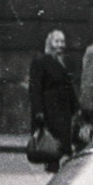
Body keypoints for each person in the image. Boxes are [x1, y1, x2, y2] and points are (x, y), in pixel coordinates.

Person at [29, 29, 78, 174]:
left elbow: (69, 87)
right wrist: (38, 111)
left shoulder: (64, 62)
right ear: (50, 43)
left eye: (62, 42)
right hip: (50, 108)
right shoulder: (40, 62)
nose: (60, 45)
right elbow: (35, 88)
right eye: (57, 41)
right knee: (53, 143)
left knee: (64, 141)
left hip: (64, 108)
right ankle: (52, 170)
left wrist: (76, 107)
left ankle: (58, 170)